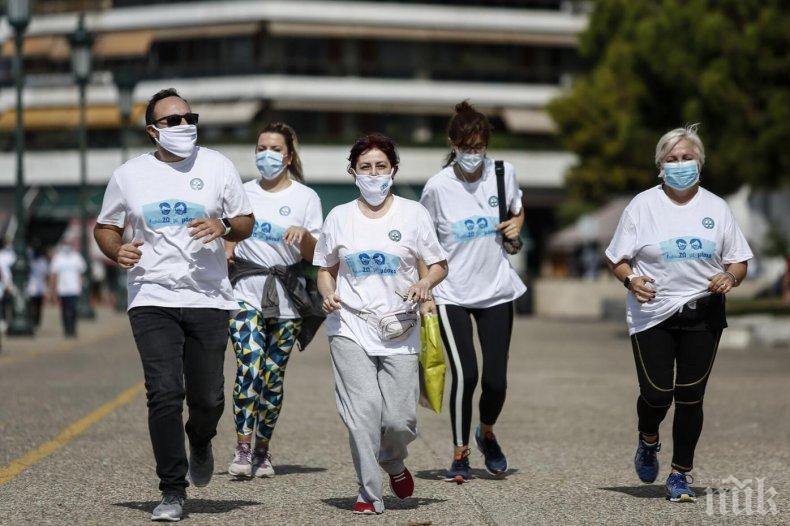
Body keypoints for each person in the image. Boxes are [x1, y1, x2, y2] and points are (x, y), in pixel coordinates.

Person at [94, 88, 254, 522]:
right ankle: (172, 489)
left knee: (208, 397)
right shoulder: (129, 175)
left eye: (189, 117)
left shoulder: (217, 165)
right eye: (173, 121)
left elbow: (246, 222)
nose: (185, 126)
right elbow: (105, 226)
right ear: (152, 131)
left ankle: (200, 439)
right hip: (152, 296)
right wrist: (117, 250)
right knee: (164, 392)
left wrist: (223, 225)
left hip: (208, 296)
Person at [605, 125, 753, 503]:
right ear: (660, 166)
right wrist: (630, 280)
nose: (680, 164)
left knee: (691, 395)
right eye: (672, 159)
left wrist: (728, 277)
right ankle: (648, 438)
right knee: (657, 394)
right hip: (652, 310)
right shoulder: (642, 205)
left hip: (703, 312)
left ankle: (680, 474)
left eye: (687, 157)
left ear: (700, 162)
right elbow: (617, 259)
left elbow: (738, 261)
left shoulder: (717, 207)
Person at [314, 133, 448, 514]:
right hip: (350, 325)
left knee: (399, 419)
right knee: (364, 413)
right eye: (365, 167)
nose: (373, 174)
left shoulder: (413, 214)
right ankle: (369, 494)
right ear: (353, 172)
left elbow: (438, 263)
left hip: (400, 329)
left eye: (381, 167)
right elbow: (325, 269)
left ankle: (392, 460)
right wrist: (327, 292)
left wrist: (424, 282)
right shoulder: (339, 217)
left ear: (393, 171)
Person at [419, 101, 526, 483]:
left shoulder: (502, 173)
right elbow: (422, 241)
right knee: (467, 372)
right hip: (453, 293)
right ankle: (460, 453)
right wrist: (427, 289)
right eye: (465, 147)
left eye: (479, 146)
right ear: (452, 143)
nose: (473, 154)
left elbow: (517, 211)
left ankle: (487, 432)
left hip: (497, 288)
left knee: (496, 379)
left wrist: (515, 225)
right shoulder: (437, 187)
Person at [225, 123, 323, 478]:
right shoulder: (241, 193)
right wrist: (228, 248)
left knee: (272, 377)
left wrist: (305, 237)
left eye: (274, 149)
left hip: (287, 296)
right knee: (249, 368)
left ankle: (263, 451)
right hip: (245, 292)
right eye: (260, 147)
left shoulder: (305, 198)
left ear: (288, 156)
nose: (266, 154)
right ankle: (242, 448)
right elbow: (228, 235)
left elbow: (317, 255)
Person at [49, 243, 86, 338]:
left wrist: (81, 287)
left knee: (73, 310)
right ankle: (66, 330)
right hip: (62, 290)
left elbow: (81, 274)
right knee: (64, 311)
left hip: (74, 289)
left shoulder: (76, 257)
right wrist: (53, 290)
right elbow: (54, 275)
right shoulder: (57, 258)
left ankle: (72, 329)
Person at [27, 247, 49, 329]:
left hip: (40, 287)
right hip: (32, 287)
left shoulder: (42, 262)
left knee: (38, 305)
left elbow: (45, 275)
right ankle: (33, 320)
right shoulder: (30, 262)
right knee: (32, 305)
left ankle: (37, 321)